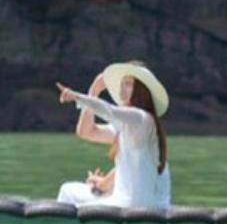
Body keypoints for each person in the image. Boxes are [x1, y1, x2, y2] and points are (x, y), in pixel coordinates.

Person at [55, 62, 171, 208]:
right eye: (122, 83)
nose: (122, 88)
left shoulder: (142, 118)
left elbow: (110, 111)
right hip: (129, 201)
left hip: (134, 206)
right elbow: (86, 131)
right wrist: (95, 90)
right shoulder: (126, 126)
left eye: (128, 84)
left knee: (69, 200)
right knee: (68, 190)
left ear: (142, 90)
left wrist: (77, 97)